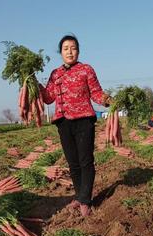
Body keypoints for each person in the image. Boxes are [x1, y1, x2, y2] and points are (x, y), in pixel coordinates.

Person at [40, 34, 111, 217]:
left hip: (84, 120)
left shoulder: (86, 69)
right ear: (61, 52)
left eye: (73, 48)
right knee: (73, 163)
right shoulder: (55, 74)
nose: (70, 52)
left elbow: (96, 93)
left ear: (78, 51)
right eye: (66, 48)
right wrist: (35, 86)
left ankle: (86, 200)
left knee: (85, 161)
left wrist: (107, 100)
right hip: (63, 122)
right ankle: (79, 196)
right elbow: (48, 98)